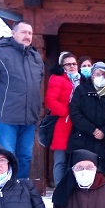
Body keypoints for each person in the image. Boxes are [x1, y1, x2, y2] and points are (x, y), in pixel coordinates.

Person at [0, 21, 43, 179]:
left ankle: (21, 191)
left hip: (30, 118)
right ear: (13, 34)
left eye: (30, 33)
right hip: (7, 118)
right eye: (23, 32)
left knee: (25, 157)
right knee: (6, 156)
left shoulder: (35, 57)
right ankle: (7, 191)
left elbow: (37, 84)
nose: (27, 36)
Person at [68, 62, 105, 176]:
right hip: (83, 140)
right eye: (98, 74)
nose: (100, 77)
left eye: (104, 75)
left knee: (100, 176)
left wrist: (104, 131)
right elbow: (75, 113)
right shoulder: (81, 90)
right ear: (92, 75)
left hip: (104, 143)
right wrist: (92, 130)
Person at [45, 52, 77, 185]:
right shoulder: (57, 78)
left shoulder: (79, 79)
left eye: (74, 63)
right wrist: (67, 112)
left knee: (74, 159)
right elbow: (50, 100)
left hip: (77, 124)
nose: (72, 66)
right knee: (61, 160)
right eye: (68, 64)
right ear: (62, 66)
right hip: (62, 124)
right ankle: (59, 189)